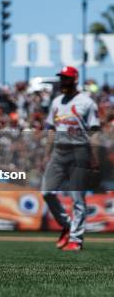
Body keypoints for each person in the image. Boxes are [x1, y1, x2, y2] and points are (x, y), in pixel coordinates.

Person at [41, 66, 101, 251]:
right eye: (62, 78)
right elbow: (51, 128)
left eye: (66, 78)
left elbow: (94, 132)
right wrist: (46, 153)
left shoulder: (87, 102)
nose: (63, 81)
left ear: (75, 79)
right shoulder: (57, 101)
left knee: (77, 198)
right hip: (59, 151)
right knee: (46, 192)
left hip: (79, 150)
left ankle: (76, 240)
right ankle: (67, 224)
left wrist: (94, 156)